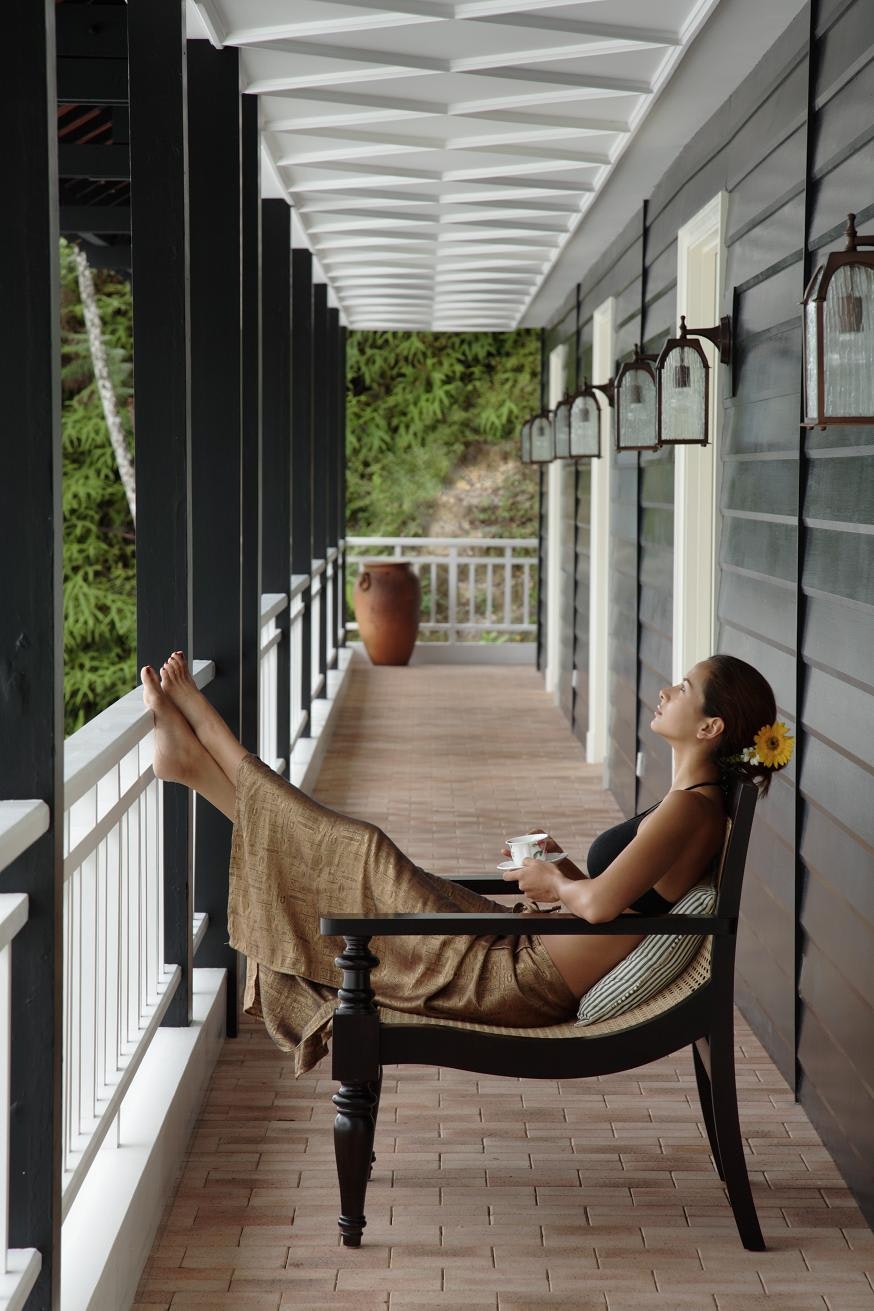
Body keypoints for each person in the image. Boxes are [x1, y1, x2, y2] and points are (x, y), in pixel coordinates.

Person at [141, 651, 792, 1074]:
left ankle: (209, 741)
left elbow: (599, 906)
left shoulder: (692, 811)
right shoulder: (692, 804)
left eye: (684, 688)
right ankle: (197, 765)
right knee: (360, 859)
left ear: (710, 728)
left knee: (361, 852)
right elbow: (623, 905)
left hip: (517, 978)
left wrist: (554, 881)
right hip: (519, 950)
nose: (666, 690)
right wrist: (560, 868)